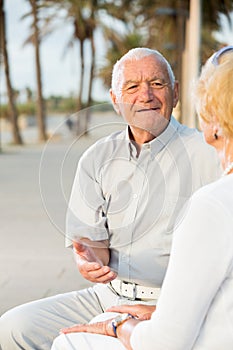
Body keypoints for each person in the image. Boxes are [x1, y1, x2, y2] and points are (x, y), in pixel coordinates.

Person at [0, 48, 221, 350]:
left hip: (175, 306)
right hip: (109, 297)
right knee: (13, 329)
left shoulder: (212, 155)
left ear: (176, 92)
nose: (146, 95)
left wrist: (167, 313)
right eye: (132, 87)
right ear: (116, 100)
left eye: (157, 84)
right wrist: (89, 258)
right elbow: (93, 247)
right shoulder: (96, 158)